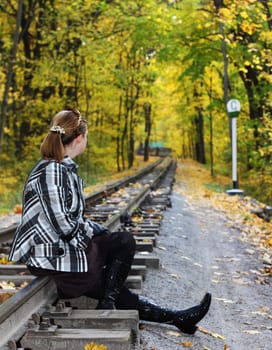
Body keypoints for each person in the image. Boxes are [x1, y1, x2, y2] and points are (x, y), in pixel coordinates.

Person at [9, 108, 211, 335]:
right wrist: (92, 236)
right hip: (53, 258)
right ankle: (171, 316)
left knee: (122, 242)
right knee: (112, 264)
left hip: (60, 250)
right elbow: (64, 226)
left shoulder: (61, 168)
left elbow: (69, 220)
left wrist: (96, 231)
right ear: (79, 138)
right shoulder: (52, 171)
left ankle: (128, 307)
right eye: (86, 136)